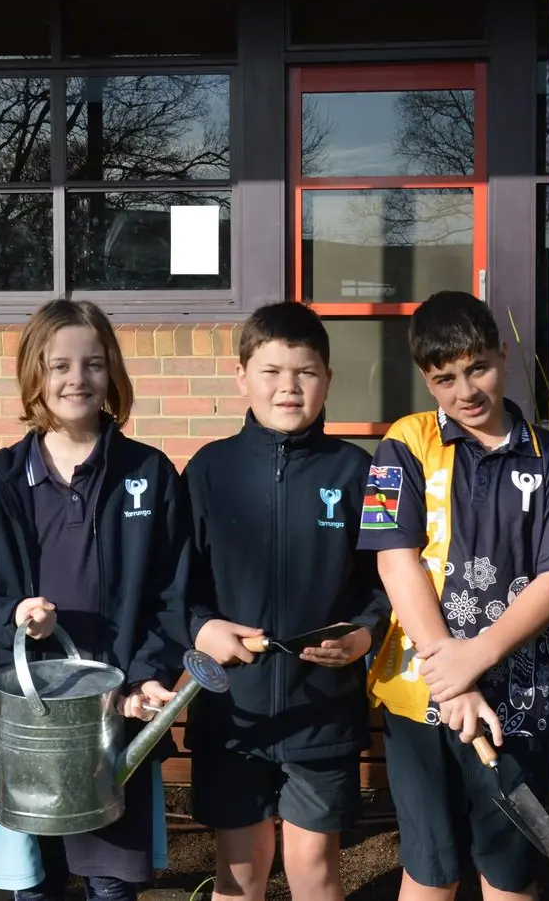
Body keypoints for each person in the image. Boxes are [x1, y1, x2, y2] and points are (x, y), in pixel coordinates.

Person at [0, 298, 190, 901]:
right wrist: (12, 618)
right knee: (35, 885)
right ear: (33, 375)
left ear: (113, 373)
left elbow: (176, 593)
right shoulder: (0, 482)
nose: (78, 379)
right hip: (29, 722)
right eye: (59, 366)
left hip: (115, 714)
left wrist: (147, 677)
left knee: (111, 884)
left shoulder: (150, 474)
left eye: (94, 363)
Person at [357, 291, 549, 901]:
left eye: (478, 368)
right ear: (426, 379)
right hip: (422, 692)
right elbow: (394, 560)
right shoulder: (401, 446)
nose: (466, 391)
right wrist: (453, 674)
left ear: (503, 354)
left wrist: (480, 656)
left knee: (509, 873)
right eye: (445, 378)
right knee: (431, 870)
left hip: (520, 697)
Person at [182, 301, 390, 901]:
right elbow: (176, 584)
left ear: (328, 379)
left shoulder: (364, 473)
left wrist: (365, 633)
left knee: (316, 869)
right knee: (240, 873)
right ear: (241, 376)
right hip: (232, 709)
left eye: (306, 372)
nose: (289, 387)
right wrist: (201, 629)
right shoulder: (207, 471)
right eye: (271, 371)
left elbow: (386, 581)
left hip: (322, 709)